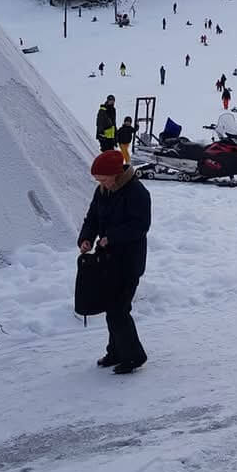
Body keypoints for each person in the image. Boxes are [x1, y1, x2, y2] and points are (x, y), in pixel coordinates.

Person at [78, 150, 151, 374]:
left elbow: (140, 226)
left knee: (118, 310)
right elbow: (91, 218)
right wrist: (86, 238)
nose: (100, 182)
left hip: (129, 262)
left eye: (102, 178)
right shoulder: (102, 191)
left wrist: (113, 237)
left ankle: (134, 356)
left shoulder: (137, 192)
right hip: (108, 261)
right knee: (112, 308)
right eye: (97, 179)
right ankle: (116, 352)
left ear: (116, 174)